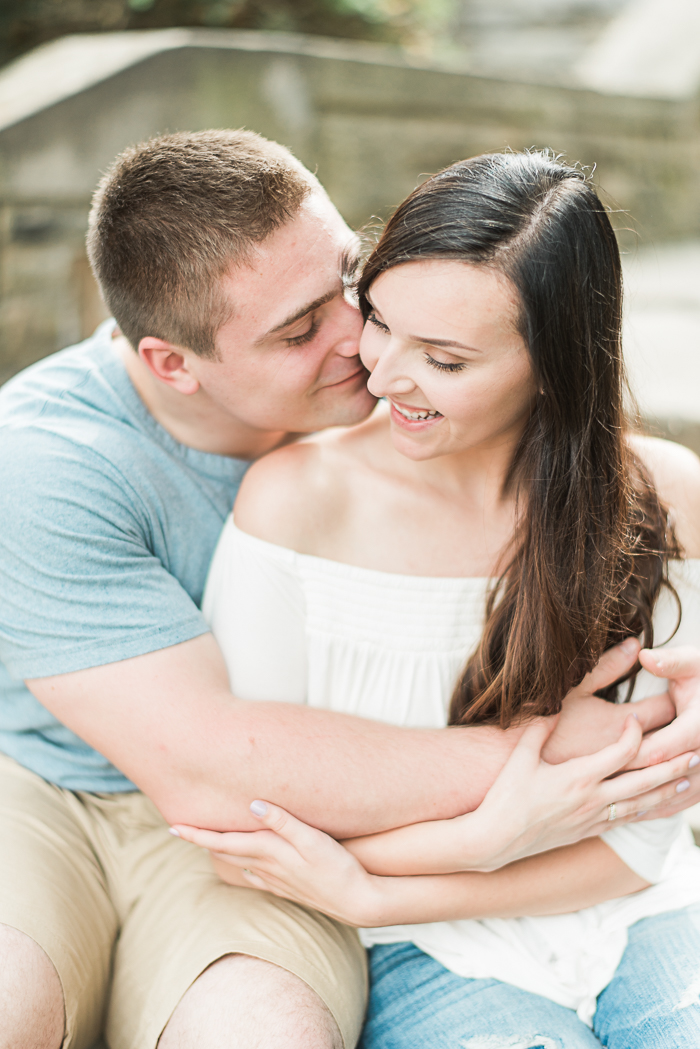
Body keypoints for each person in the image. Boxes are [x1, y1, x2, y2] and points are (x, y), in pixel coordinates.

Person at [0, 130, 697, 1049]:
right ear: (176, 364)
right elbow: (219, 774)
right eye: (299, 332)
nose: (360, 348)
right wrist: (578, 762)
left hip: (341, 836)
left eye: (349, 283)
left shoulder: (449, 404)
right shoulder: (53, 468)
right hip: (69, 790)